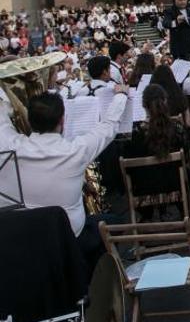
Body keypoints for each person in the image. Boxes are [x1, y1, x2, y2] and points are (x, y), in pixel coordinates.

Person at [0, 85, 129, 280]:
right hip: (67, 242)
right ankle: (91, 280)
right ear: (62, 120)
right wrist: (120, 95)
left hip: (20, 242)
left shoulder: (9, 145)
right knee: (114, 224)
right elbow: (109, 125)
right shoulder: (75, 151)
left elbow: (2, 121)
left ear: (29, 120)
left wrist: (6, 104)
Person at [122, 84, 188, 221]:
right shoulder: (176, 129)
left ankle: (146, 214)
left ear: (143, 106)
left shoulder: (134, 134)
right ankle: (183, 213)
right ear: (165, 101)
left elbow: (128, 169)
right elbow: (186, 157)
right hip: (174, 185)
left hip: (144, 189)